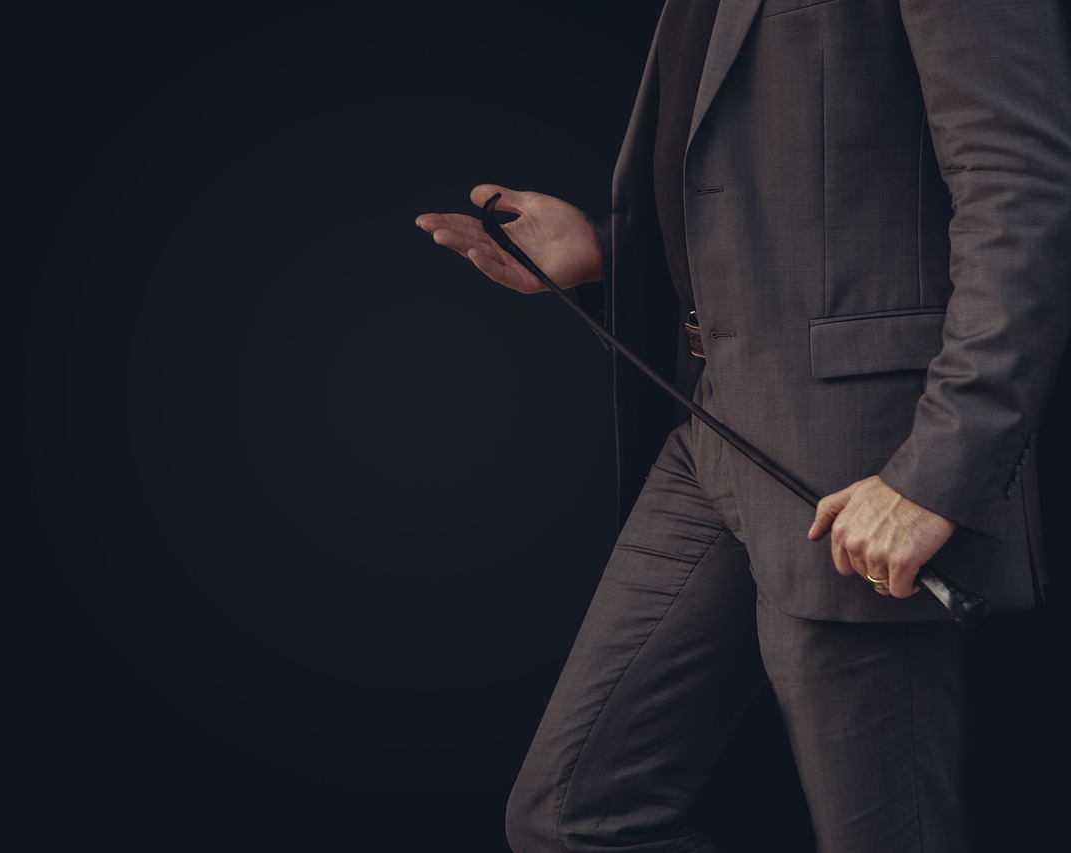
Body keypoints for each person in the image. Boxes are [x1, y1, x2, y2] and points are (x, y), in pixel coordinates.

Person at [415, 1, 1071, 851]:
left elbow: (1023, 194)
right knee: (571, 816)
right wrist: (612, 252)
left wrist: (937, 472)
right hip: (716, 420)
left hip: (862, 456)